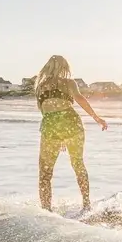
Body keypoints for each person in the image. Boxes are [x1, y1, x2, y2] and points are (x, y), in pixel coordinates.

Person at [34, 55, 107, 212]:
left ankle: (46, 210)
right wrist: (96, 118)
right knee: (78, 164)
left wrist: (58, 135)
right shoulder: (69, 83)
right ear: (64, 68)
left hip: (51, 127)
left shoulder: (40, 86)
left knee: (45, 173)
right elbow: (79, 98)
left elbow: (44, 111)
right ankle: (87, 205)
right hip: (71, 124)